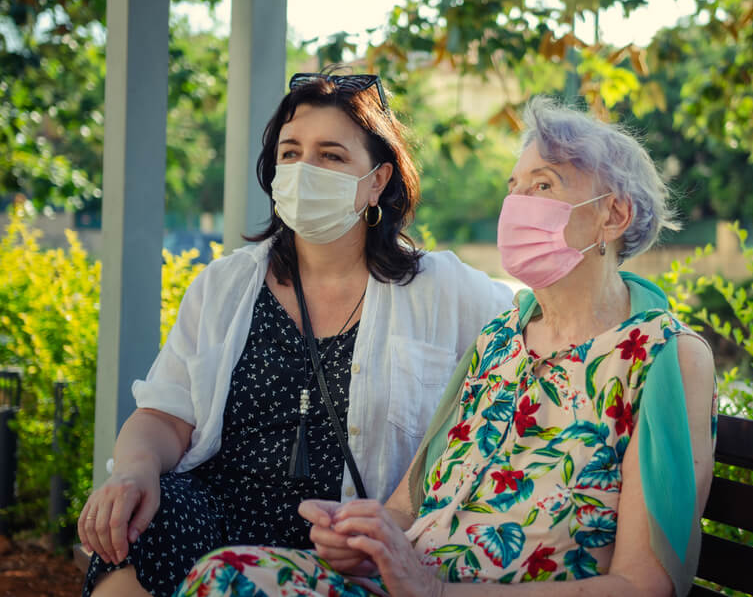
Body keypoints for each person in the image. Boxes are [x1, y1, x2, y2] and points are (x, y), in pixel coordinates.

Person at [175, 97, 717, 597]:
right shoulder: (501, 339)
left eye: (544, 186)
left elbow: (645, 585)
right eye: (514, 186)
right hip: (407, 586)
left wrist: (436, 591)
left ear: (614, 216)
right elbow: (406, 509)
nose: (517, 205)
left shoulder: (664, 356)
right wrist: (366, 538)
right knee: (222, 575)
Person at [78, 72, 513, 597]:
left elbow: (543, 329)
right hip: (214, 530)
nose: (305, 169)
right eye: (291, 153)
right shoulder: (225, 285)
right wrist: (134, 470)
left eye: (331, 156)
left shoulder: (447, 292)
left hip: (346, 551)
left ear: (377, 180)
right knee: (149, 518)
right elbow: (166, 415)